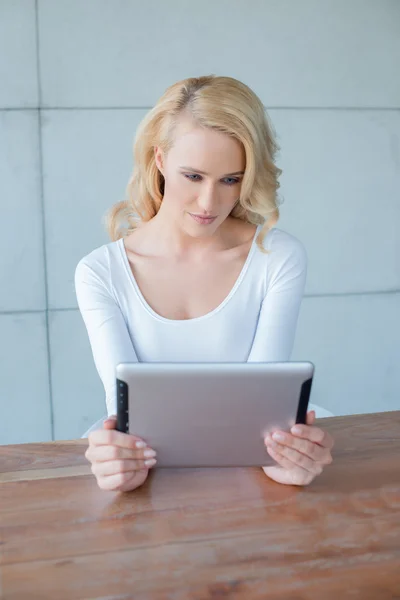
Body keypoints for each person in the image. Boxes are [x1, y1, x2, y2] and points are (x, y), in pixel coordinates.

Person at [75, 75, 334, 493]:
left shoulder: (277, 257)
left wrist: (285, 457)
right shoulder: (100, 272)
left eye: (230, 179)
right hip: (158, 467)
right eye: (193, 176)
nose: (209, 203)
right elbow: (124, 413)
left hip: (249, 474)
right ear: (159, 160)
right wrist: (121, 461)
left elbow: (262, 408)